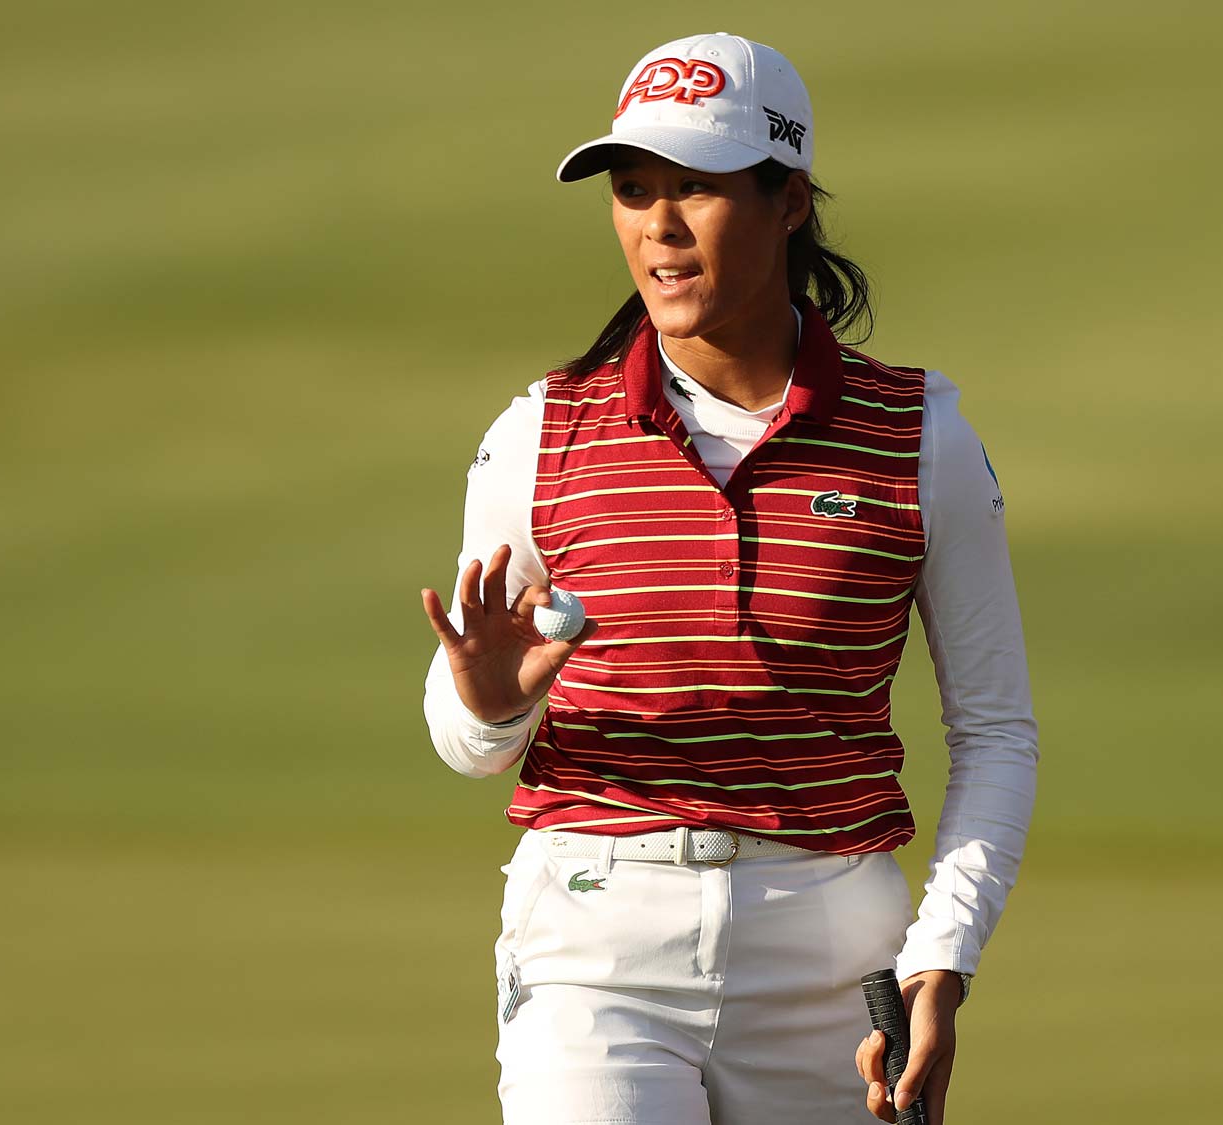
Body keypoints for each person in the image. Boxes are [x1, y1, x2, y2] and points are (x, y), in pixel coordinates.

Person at [419, 32, 1038, 1125]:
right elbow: (470, 742)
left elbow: (992, 731)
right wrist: (487, 702)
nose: (656, 225)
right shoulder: (540, 433)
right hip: (593, 943)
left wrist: (940, 961)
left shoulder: (917, 435)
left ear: (787, 202)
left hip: (831, 964)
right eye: (632, 190)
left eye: (695, 189)